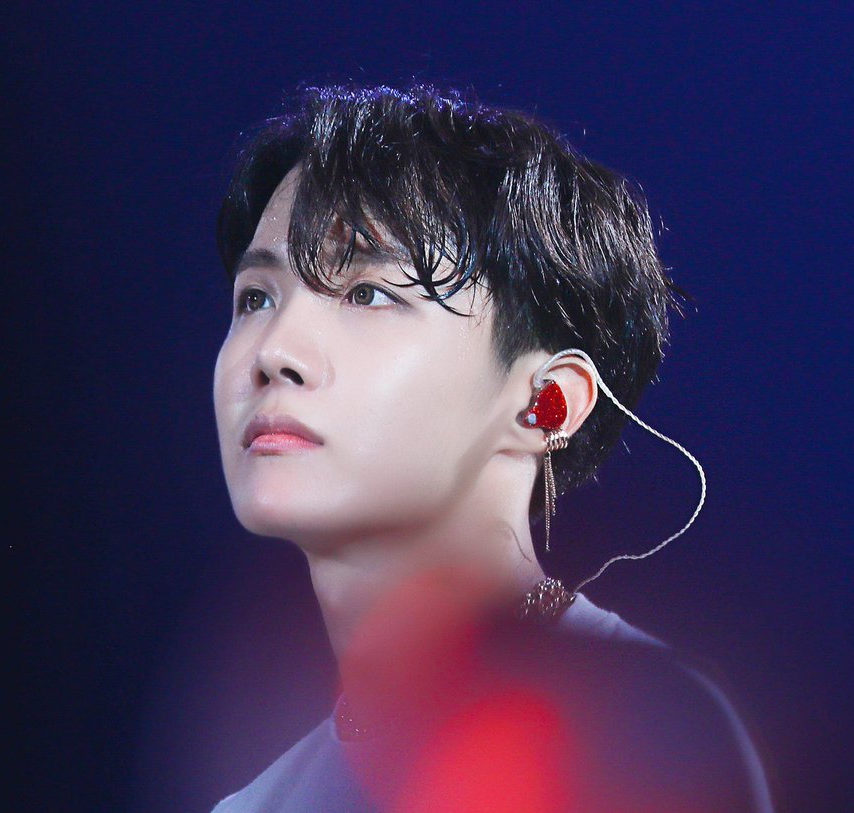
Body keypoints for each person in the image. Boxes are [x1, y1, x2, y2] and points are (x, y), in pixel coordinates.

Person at [208, 84, 772, 812]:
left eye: (367, 293)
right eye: (256, 297)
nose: (274, 351)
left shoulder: (643, 730)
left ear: (547, 402)